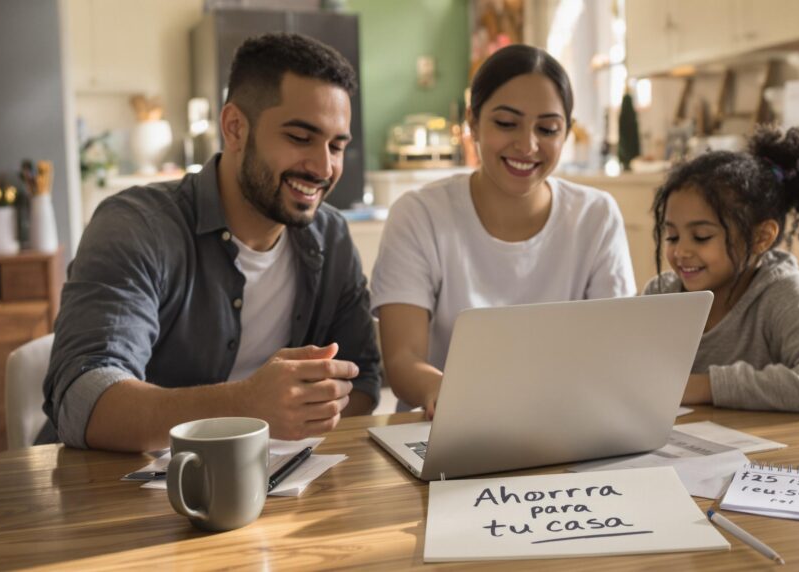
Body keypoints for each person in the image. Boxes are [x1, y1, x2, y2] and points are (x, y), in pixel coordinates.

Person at [40, 33, 380, 452]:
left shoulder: (331, 237)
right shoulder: (135, 227)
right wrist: (246, 405)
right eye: (299, 138)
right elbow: (84, 400)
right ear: (235, 128)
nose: (323, 166)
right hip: (115, 494)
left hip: (272, 487)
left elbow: (361, 382)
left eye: (336, 145)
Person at [371, 45, 636, 418]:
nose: (527, 145)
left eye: (547, 129)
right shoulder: (420, 215)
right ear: (473, 122)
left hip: (565, 425)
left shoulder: (596, 215)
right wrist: (446, 393)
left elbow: (615, 351)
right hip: (447, 428)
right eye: (507, 123)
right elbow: (403, 361)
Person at [645, 124, 799, 413]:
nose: (680, 252)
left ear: (761, 237)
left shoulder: (783, 293)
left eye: (702, 237)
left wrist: (706, 386)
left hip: (767, 452)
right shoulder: (661, 294)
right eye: (672, 236)